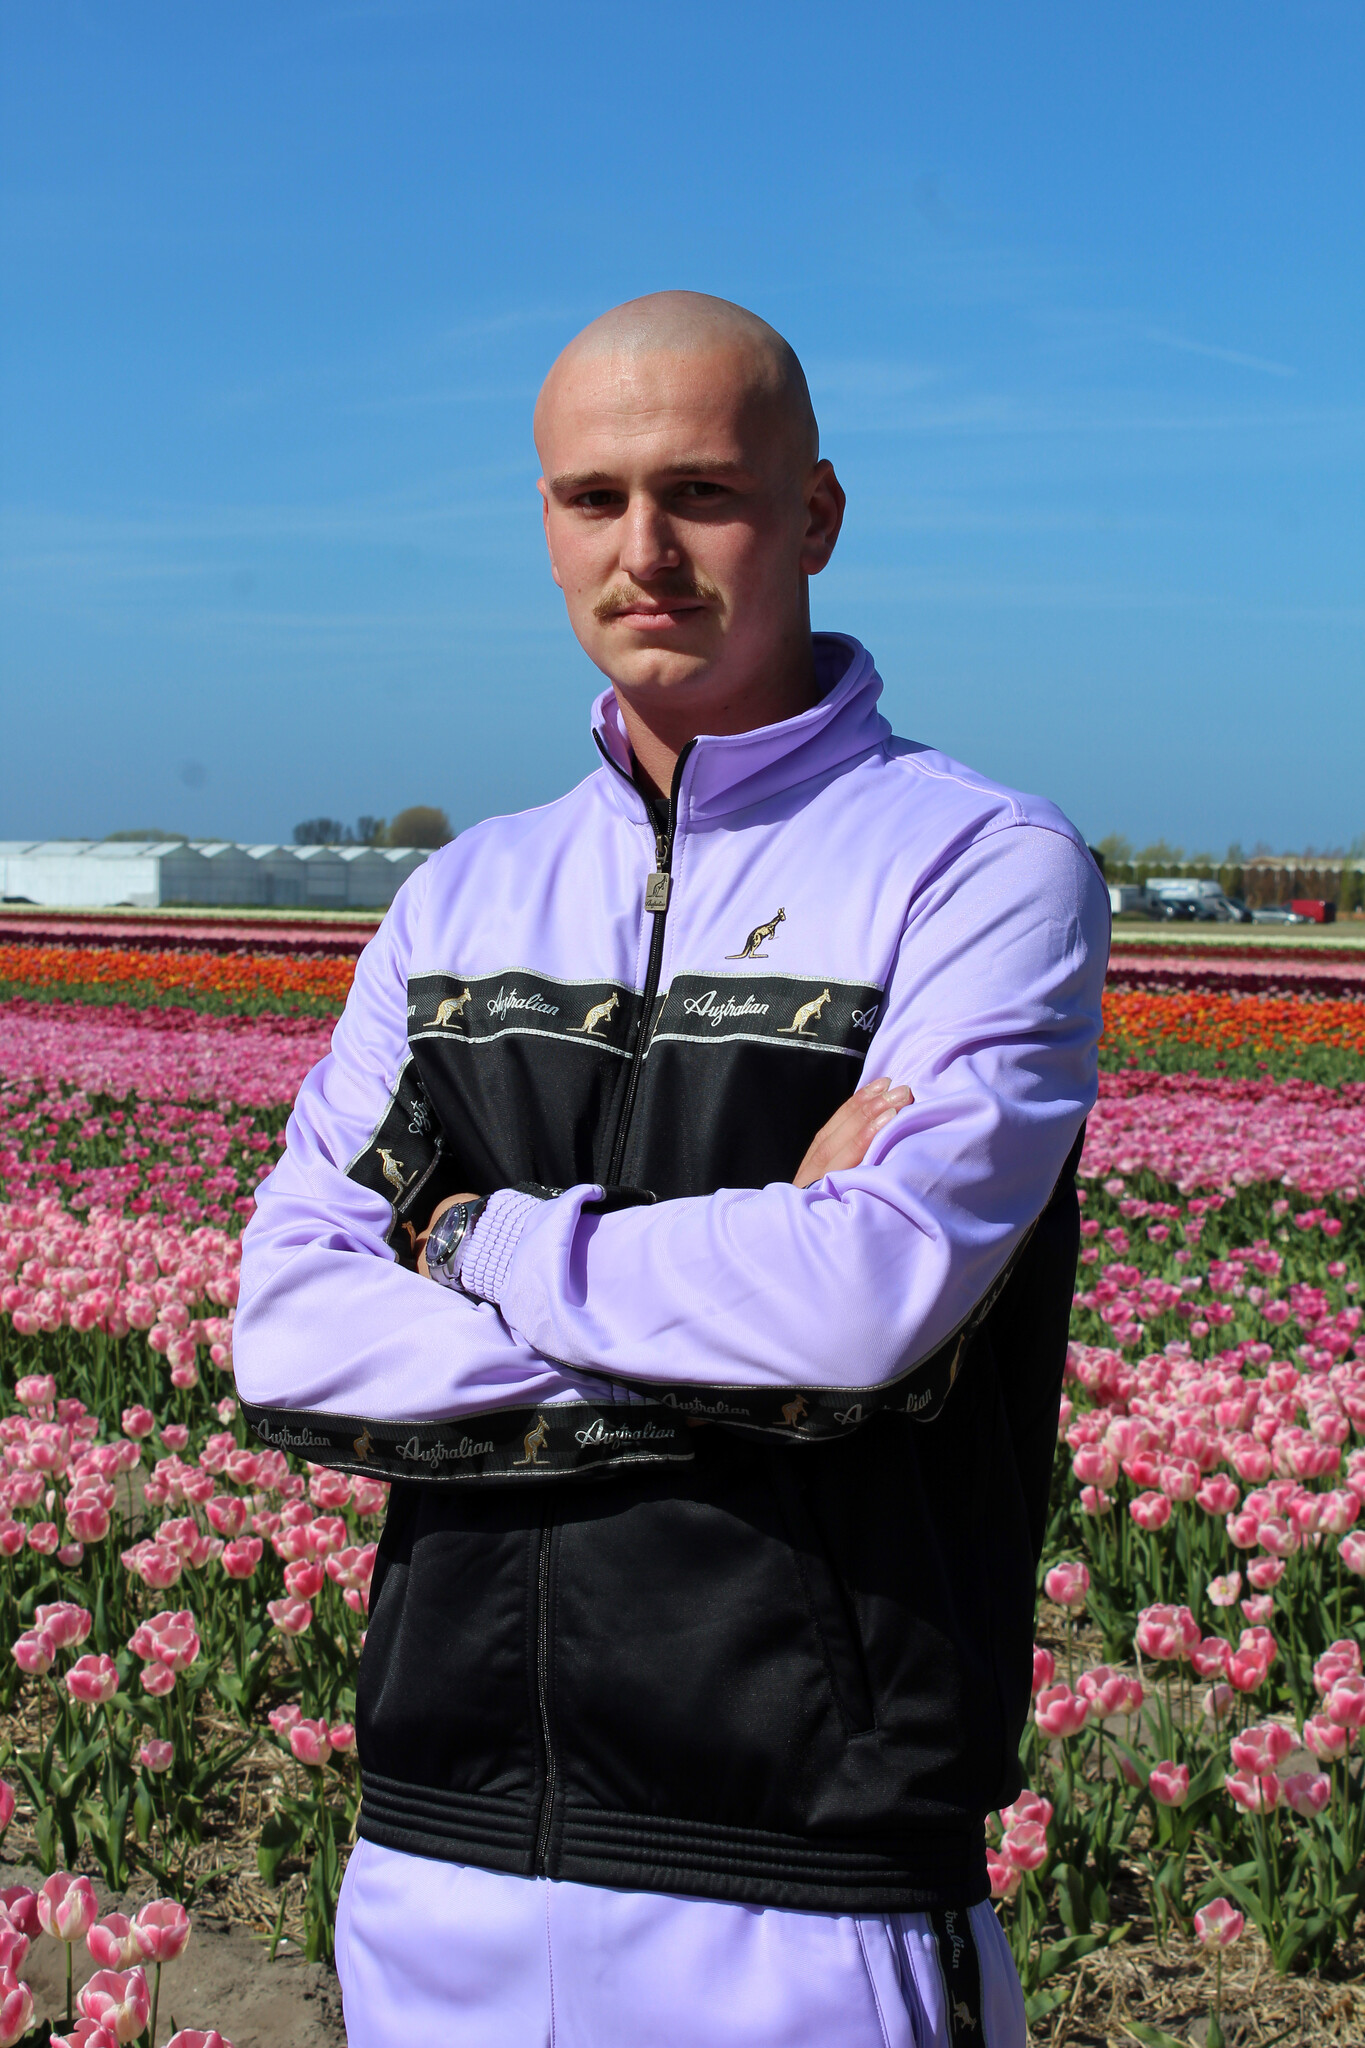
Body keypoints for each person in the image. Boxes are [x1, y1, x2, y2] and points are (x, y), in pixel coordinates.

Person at [234, 290, 1109, 2047]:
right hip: (439, 1854)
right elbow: (289, 1330)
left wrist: (469, 1239)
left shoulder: (977, 869)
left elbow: (859, 1305)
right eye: (592, 497)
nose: (642, 549)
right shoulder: (459, 900)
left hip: (806, 1872)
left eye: (699, 491)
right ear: (547, 521)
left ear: (814, 514)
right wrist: (748, 1309)